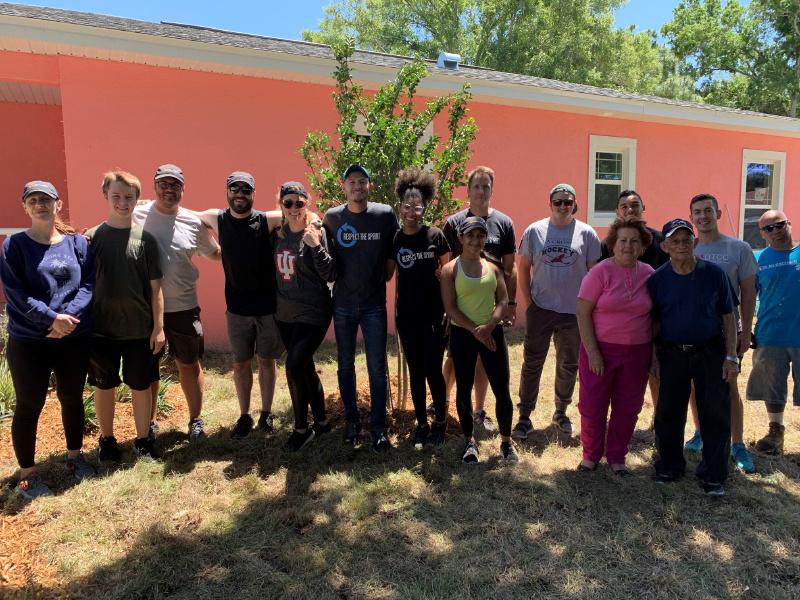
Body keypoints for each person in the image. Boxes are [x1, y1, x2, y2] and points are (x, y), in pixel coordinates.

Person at [0, 181, 95, 498]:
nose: (40, 204)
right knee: (29, 405)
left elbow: (89, 285)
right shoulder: (13, 247)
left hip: (73, 338)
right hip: (29, 342)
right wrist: (52, 319)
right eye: (34, 200)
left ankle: (74, 457)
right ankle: (27, 476)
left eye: (46, 199)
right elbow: (15, 295)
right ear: (26, 207)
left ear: (58, 204)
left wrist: (67, 320)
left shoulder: (77, 244)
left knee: (72, 398)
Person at [648, 218, 738, 497]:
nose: (682, 245)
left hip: (710, 352)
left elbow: (728, 316)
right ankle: (670, 466)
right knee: (668, 413)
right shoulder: (657, 279)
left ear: (695, 242)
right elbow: (652, 322)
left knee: (715, 413)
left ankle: (714, 474)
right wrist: (653, 358)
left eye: (687, 239)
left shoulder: (714, 274)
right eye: (675, 240)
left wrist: (731, 356)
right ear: (665, 246)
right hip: (672, 353)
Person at [132, 164, 221, 441]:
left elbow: (216, 253)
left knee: (189, 364)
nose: (169, 189)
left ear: (183, 189)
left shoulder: (193, 222)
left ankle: (195, 420)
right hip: (145, 308)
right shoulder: (136, 213)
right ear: (154, 186)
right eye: (163, 183)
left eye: (175, 184)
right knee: (150, 368)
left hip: (184, 306)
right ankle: (150, 422)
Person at [193, 172, 284, 439]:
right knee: (241, 363)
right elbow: (186, 214)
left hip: (268, 307)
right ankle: (244, 416)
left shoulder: (266, 219)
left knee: (267, 361)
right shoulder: (217, 218)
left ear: (254, 193)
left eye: (246, 189)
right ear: (228, 191)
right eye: (235, 189)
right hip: (236, 309)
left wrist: (312, 219)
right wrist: (146, 208)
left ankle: (266, 414)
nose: (240, 194)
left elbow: (304, 214)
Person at [512, 183, 602, 440]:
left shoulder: (587, 234)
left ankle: (561, 411)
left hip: (573, 313)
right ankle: (525, 416)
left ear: (574, 204)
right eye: (558, 201)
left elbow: (594, 275)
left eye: (568, 202)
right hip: (541, 309)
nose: (563, 206)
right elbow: (524, 268)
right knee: (532, 364)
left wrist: (588, 309)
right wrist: (529, 304)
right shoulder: (534, 231)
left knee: (568, 363)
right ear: (549, 203)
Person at [87, 171, 165, 462]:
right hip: (101, 330)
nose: (123, 202)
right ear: (106, 196)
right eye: (116, 196)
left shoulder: (146, 240)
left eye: (128, 197)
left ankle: (143, 440)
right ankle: (107, 440)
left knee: (140, 385)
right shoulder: (92, 238)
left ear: (136, 199)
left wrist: (159, 327)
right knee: (103, 385)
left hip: (138, 330)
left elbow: (156, 289)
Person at [323, 164, 399, 452]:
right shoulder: (332, 218)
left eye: (362, 181)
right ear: (344, 187)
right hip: (342, 305)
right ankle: (352, 422)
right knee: (345, 366)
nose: (357, 186)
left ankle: (378, 428)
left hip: (373, 306)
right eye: (352, 182)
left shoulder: (384, 215)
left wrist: (385, 277)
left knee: (377, 369)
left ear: (370, 186)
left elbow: (392, 252)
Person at [685, 193, 758, 474]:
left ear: (717, 213)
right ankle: (701, 431)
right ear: (691, 216)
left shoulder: (738, 248)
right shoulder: (686, 247)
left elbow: (749, 292)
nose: (702, 216)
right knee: (694, 385)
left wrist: (746, 330)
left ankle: (737, 443)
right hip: (693, 331)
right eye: (697, 212)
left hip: (727, 331)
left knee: (729, 386)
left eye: (708, 210)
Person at [576, 217, 654, 475]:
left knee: (628, 406)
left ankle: (617, 456)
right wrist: (593, 353)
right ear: (613, 244)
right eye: (623, 241)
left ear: (642, 246)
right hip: (600, 350)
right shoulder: (599, 272)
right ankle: (591, 455)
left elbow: (658, 315)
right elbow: (582, 313)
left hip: (637, 353)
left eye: (634, 241)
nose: (628, 246)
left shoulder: (649, 275)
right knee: (592, 405)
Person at [442, 166, 516, 432]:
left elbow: (511, 268)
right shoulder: (453, 223)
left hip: (490, 306)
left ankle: (479, 409)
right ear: (468, 190)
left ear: (492, 190)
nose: (481, 191)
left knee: (486, 363)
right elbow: (446, 264)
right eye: (477, 186)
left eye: (486, 186)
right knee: (455, 360)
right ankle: (445, 403)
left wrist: (510, 306)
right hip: (461, 309)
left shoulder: (504, 223)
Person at [440, 216, 518, 464]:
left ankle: (506, 441)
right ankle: (469, 441)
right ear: (461, 238)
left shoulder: (493, 268)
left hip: (491, 332)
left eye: (480, 235)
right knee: (463, 389)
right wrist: (477, 331)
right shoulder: (450, 270)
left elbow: (503, 301)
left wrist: (490, 326)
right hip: (464, 333)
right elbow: (450, 308)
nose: (475, 240)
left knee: (501, 389)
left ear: (485, 238)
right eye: (470, 235)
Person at [271, 181, 336, 451]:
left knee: (294, 364)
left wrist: (316, 246)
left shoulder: (317, 231)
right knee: (305, 366)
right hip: (284, 313)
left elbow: (330, 273)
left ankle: (301, 429)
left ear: (306, 203)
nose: (294, 208)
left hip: (314, 312)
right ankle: (321, 422)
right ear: (281, 206)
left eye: (299, 203)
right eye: (288, 203)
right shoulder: (276, 234)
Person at [389, 168, 450, 449]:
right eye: (407, 206)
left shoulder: (435, 235)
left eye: (418, 206)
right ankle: (422, 424)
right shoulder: (396, 239)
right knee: (415, 371)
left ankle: (440, 423)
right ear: (399, 207)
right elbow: (388, 274)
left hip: (433, 315)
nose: (413, 211)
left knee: (433, 371)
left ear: (424, 207)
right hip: (407, 316)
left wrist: (445, 280)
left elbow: (448, 272)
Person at [599, 190, 668, 425]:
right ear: (617, 212)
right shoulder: (608, 245)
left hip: (657, 321)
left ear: (643, 209)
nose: (630, 210)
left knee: (656, 373)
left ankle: (659, 418)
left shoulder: (662, 242)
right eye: (624, 206)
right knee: (618, 374)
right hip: (620, 326)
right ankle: (613, 419)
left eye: (635, 205)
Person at [746, 210, 799, 455]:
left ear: (789, 224)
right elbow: (748, 296)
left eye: (779, 225)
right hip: (769, 334)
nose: (775, 231)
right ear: (762, 234)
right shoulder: (759, 260)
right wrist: (746, 330)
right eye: (768, 228)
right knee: (772, 385)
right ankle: (775, 432)